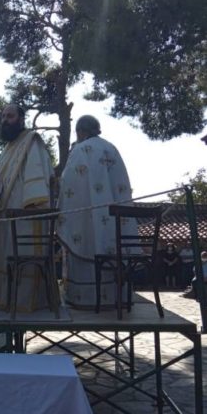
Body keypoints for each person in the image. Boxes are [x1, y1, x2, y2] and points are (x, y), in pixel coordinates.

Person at [0, 103, 58, 313]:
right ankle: (6, 298)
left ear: (21, 119)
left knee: (24, 254)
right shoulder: (8, 148)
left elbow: (38, 173)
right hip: (6, 211)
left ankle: (26, 300)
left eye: (9, 116)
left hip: (26, 211)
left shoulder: (31, 140)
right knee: (7, 254)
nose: (5, 120)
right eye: (3, 116)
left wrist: (32, 202)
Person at [57, 115, 134, 309]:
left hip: (88, 219)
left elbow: (69, 185)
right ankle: (117, 297)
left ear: (80, 131)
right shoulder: (111, 148)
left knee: (88, 243)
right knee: (112, 243)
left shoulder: (80, 149)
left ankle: (87, 299)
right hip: (115, 221)